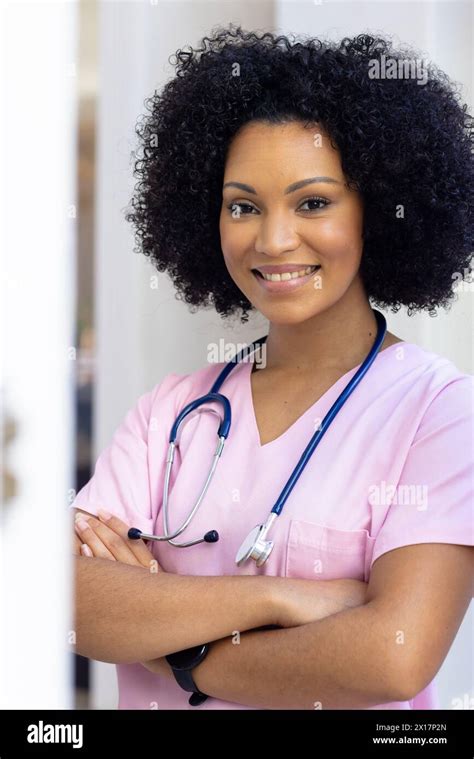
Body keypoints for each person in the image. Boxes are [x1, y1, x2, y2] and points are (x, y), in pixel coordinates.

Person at [71, 26, 474, 710]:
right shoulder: (169, 415)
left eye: (312, 202)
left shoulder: (440, 413)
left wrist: (183, 653)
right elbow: (71, 601)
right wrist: (284, 597)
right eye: (243, 206)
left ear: (373, 210)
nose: (273, 238)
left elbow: (393, 654)